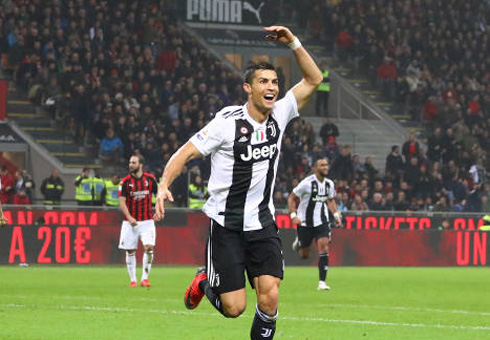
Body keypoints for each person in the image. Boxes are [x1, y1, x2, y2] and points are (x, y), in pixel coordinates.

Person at [155, 26, 322, 340]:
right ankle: (205, 282)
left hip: (261, 221)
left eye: (274, 82)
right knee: (234, 308)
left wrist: (294, 43)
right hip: (227, 224)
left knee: (270, 296)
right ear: (248, 88)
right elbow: (186, 152)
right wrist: (165, 185)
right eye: (263, 82)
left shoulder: (281, 113)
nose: (271, 87)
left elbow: (315, 79)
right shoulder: (226, 124)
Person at [287, 158, 342, 290]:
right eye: (322, 165)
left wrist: (336, 215)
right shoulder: (306, 183)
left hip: (322, 221)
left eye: (326, 165)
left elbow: (330, 200)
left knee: (324, 247)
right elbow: (291, 198)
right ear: (315, 169)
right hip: (305, 222)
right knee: (304, 255)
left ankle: (322, 282)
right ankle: (299, 243)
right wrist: (293, 215)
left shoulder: (329, 184)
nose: (325, 167)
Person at [119, 154, 158, 288]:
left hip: (147, 221)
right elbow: (122, 201)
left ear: (140, 165)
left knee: (149, 247)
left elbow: (158, 195)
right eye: (130, 162)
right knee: (130, 250)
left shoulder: (150, 180)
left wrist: (158, 210)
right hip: (130, 222)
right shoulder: (125, 182)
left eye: (133, 162)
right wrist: (129, 217)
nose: (130, 165)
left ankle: (144, 279)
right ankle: (133, 280)